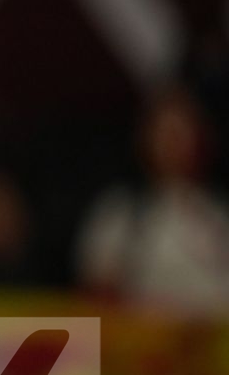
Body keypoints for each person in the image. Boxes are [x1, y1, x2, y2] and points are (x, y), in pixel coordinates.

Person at [77, 83, 229, 316]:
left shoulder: (218, 212)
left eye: (181, 130)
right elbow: (98, 296)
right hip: (148, 346)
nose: (172, 142)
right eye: (163, 130)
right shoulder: (121, 212)